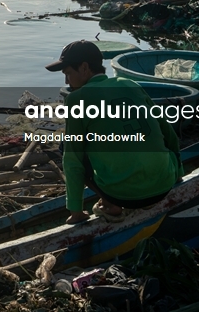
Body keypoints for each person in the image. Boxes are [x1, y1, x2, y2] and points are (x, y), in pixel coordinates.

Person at [46, 40, 184, 224]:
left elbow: (72, 160)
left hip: (123, 195)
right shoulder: (130, 84)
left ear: (84, 68)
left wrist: (76, 211)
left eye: (68, 73)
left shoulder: (77, 99)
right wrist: (177, 173)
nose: (66, 81)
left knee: (66, 146)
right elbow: (168, 132)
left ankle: (110, 204)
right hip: (165, 183)